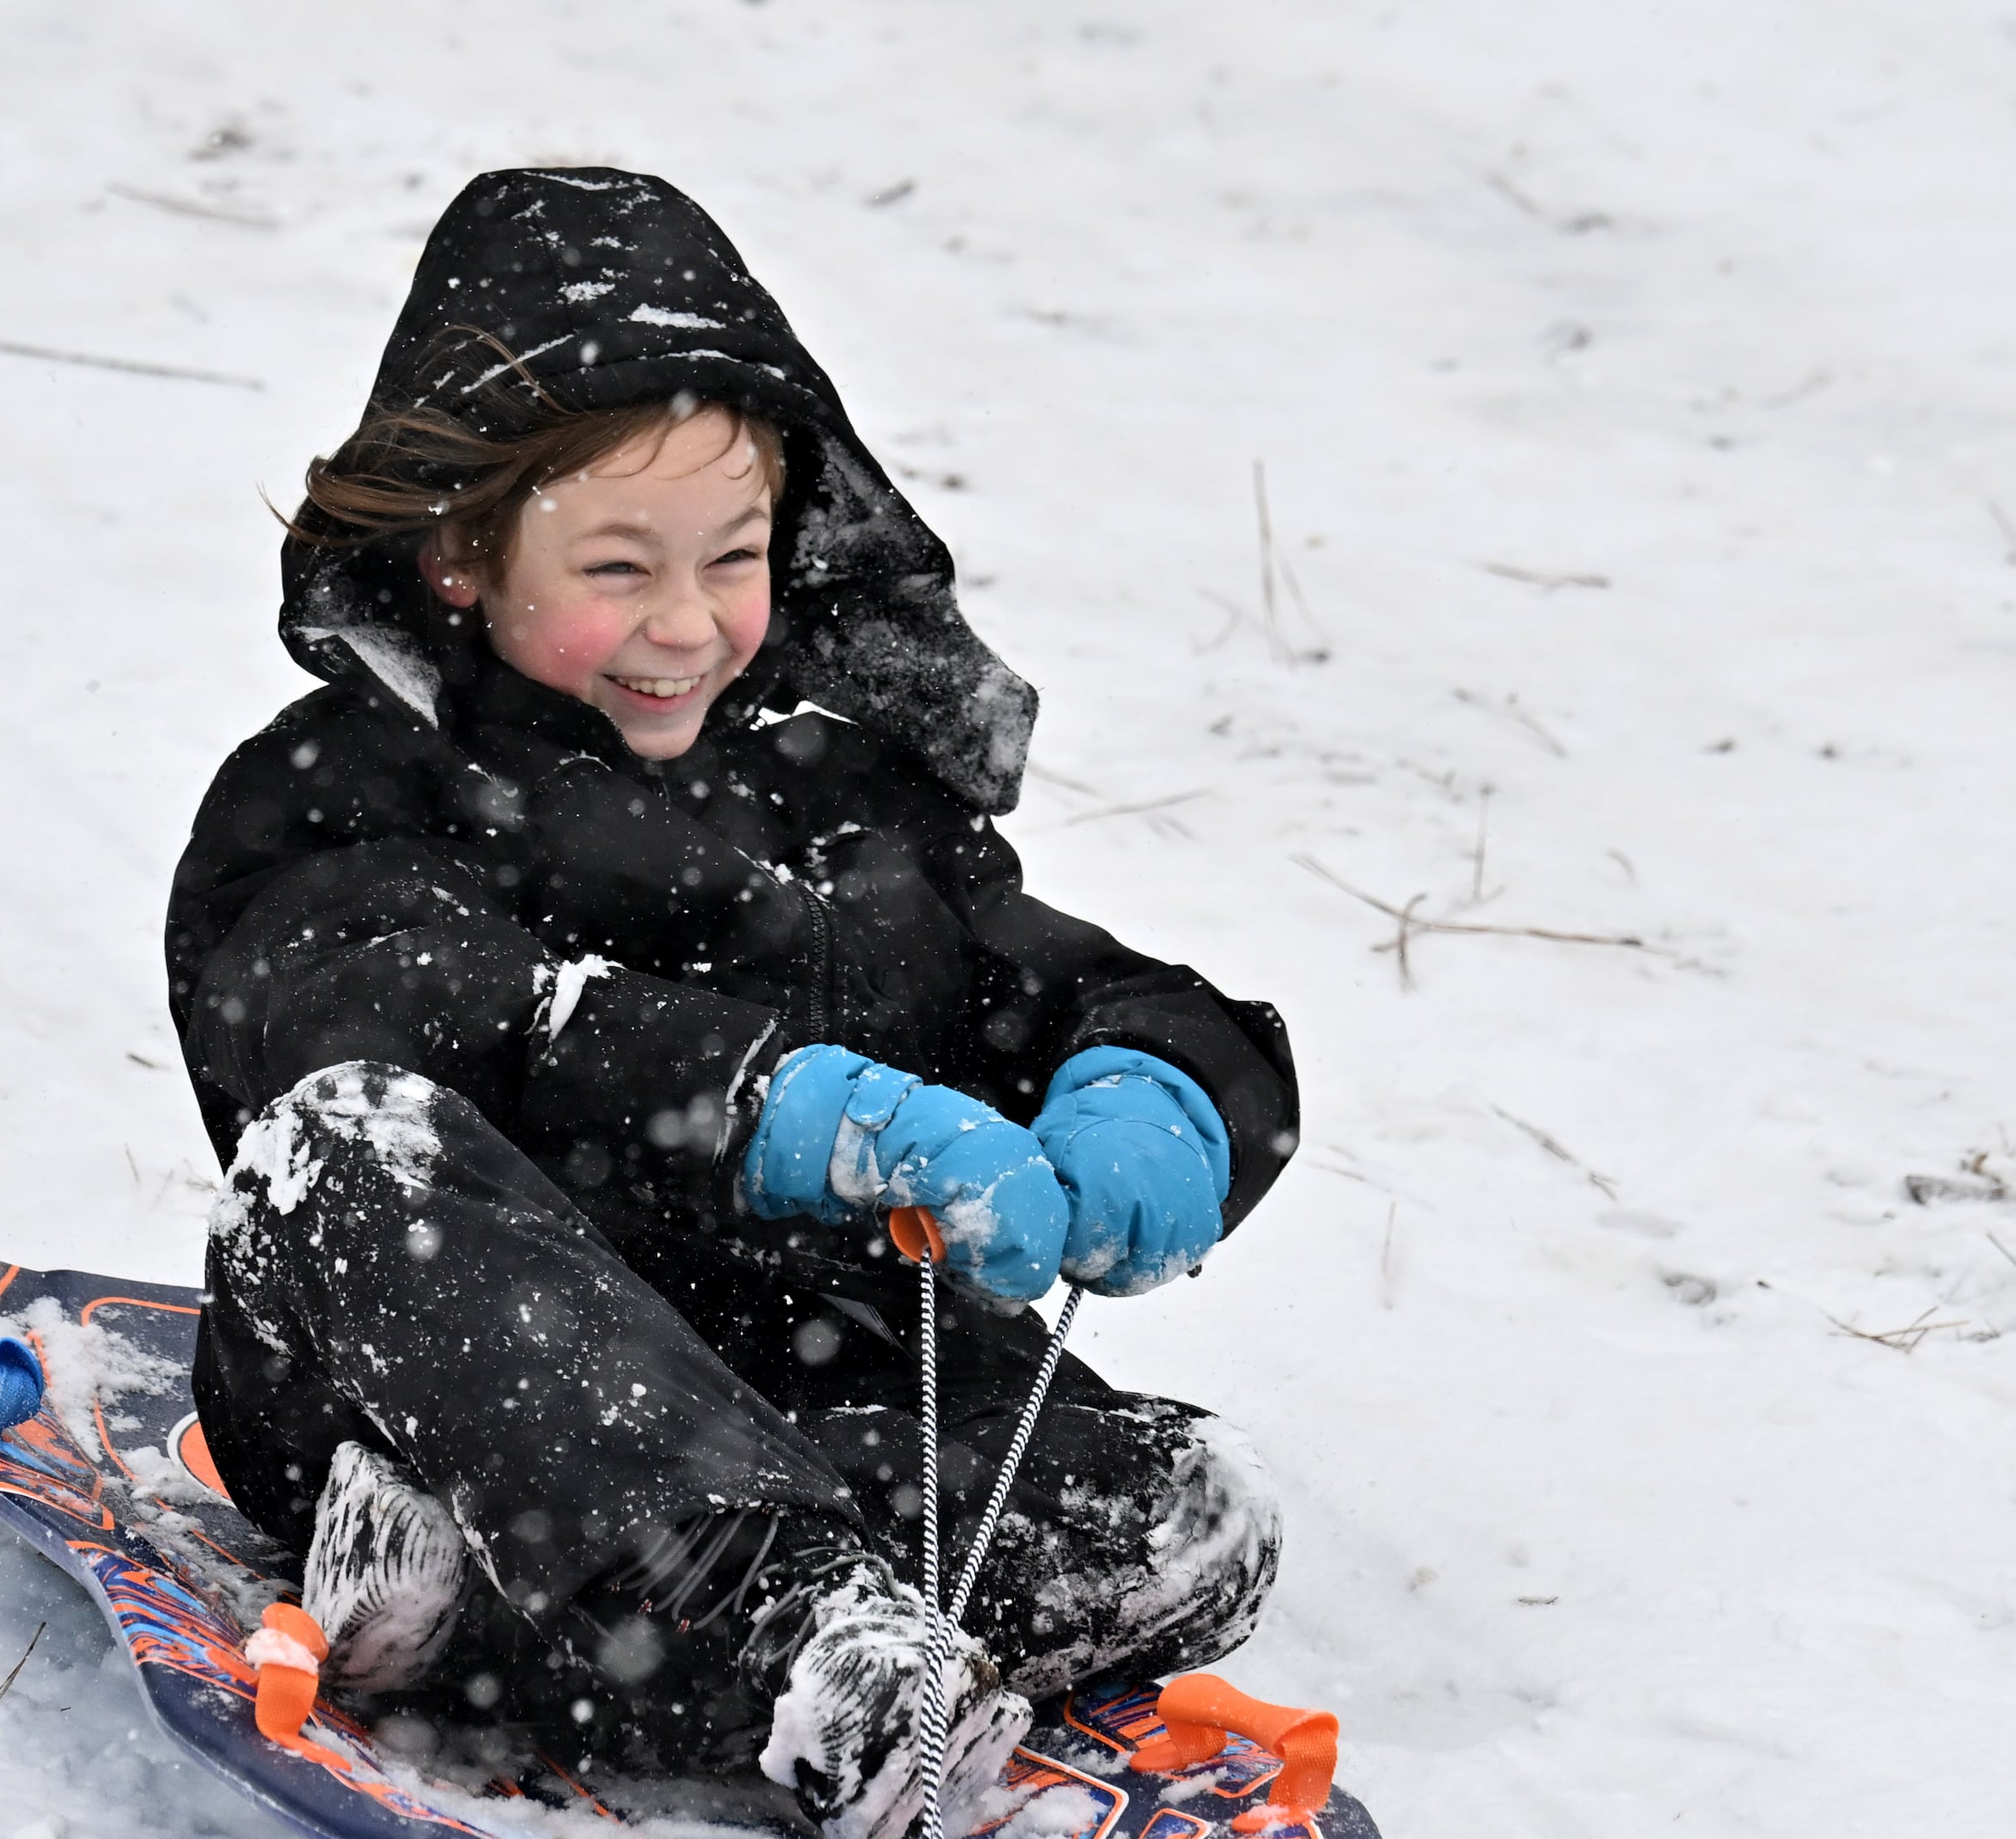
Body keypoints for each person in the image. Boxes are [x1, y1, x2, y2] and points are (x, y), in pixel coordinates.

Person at [166, 169, 1300, 1839]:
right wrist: (776, 1113)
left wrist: (1160, 1089)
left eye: (735, 557)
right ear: (465, 554)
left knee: (1194, 1514)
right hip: (442, 1368)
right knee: (347, 1146)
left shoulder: (840, 800)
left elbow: (1054, 976)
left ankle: (512, 1620)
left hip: (803, 1393)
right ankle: (774, 1623)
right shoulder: (349, 787)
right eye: (620, 566)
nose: (688, 626)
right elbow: (379, 1017)